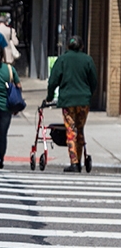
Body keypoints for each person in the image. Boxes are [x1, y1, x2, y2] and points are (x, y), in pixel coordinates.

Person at [45, 35, 98, 173]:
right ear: (82, 47)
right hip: (83, 101)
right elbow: (94, 82)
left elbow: (53, 81)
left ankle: (74, 162)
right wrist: (88, 94)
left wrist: (49, 96)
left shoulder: (62, 59)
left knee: (71, 129)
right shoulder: (88, 60)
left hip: (68, 101)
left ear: (67, 46)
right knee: (80, 129)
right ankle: (79, 160)